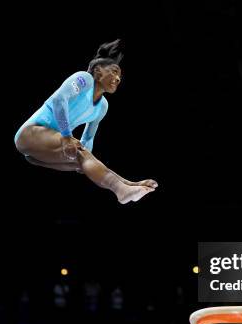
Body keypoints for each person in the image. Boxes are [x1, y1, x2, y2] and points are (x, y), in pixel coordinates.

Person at [14, 39, 158, 204]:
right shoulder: (85, 80)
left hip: (39, 152)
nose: (118, 78)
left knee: (80, 159)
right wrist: (67, 137)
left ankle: (128, 185)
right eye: (114, 71)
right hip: (30, 133)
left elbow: (87, 140)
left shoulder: (102, 106)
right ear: (98, 71)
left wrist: (86, 163)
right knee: (78, 150)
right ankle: (121, 189)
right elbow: (59, 100)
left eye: (120, 75)